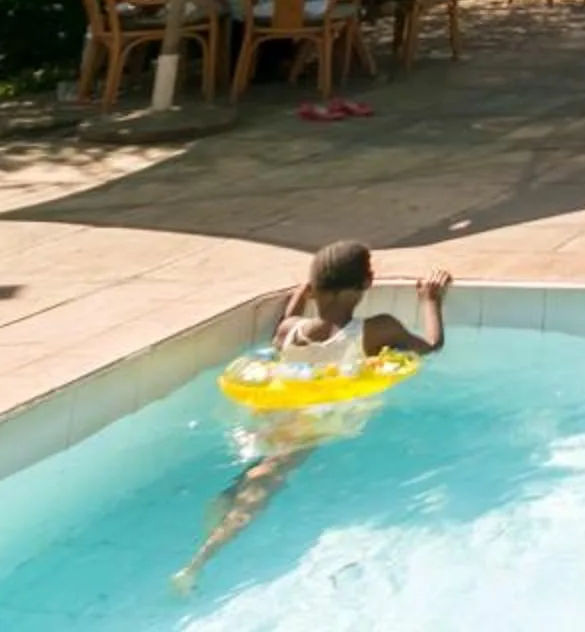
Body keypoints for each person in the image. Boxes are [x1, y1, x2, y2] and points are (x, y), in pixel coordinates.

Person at [174, 242, 451, 593]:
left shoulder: (290, 329)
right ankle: (196, 565)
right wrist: (430, 300)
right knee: (264, 481)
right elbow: (431, 346)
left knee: (254, 472)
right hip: (315, 423)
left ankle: (214, 523)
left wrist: (298, 296)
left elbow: (281, 331)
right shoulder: (379, 329)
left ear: (314, 288)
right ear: (366, 284)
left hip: (273, 416)